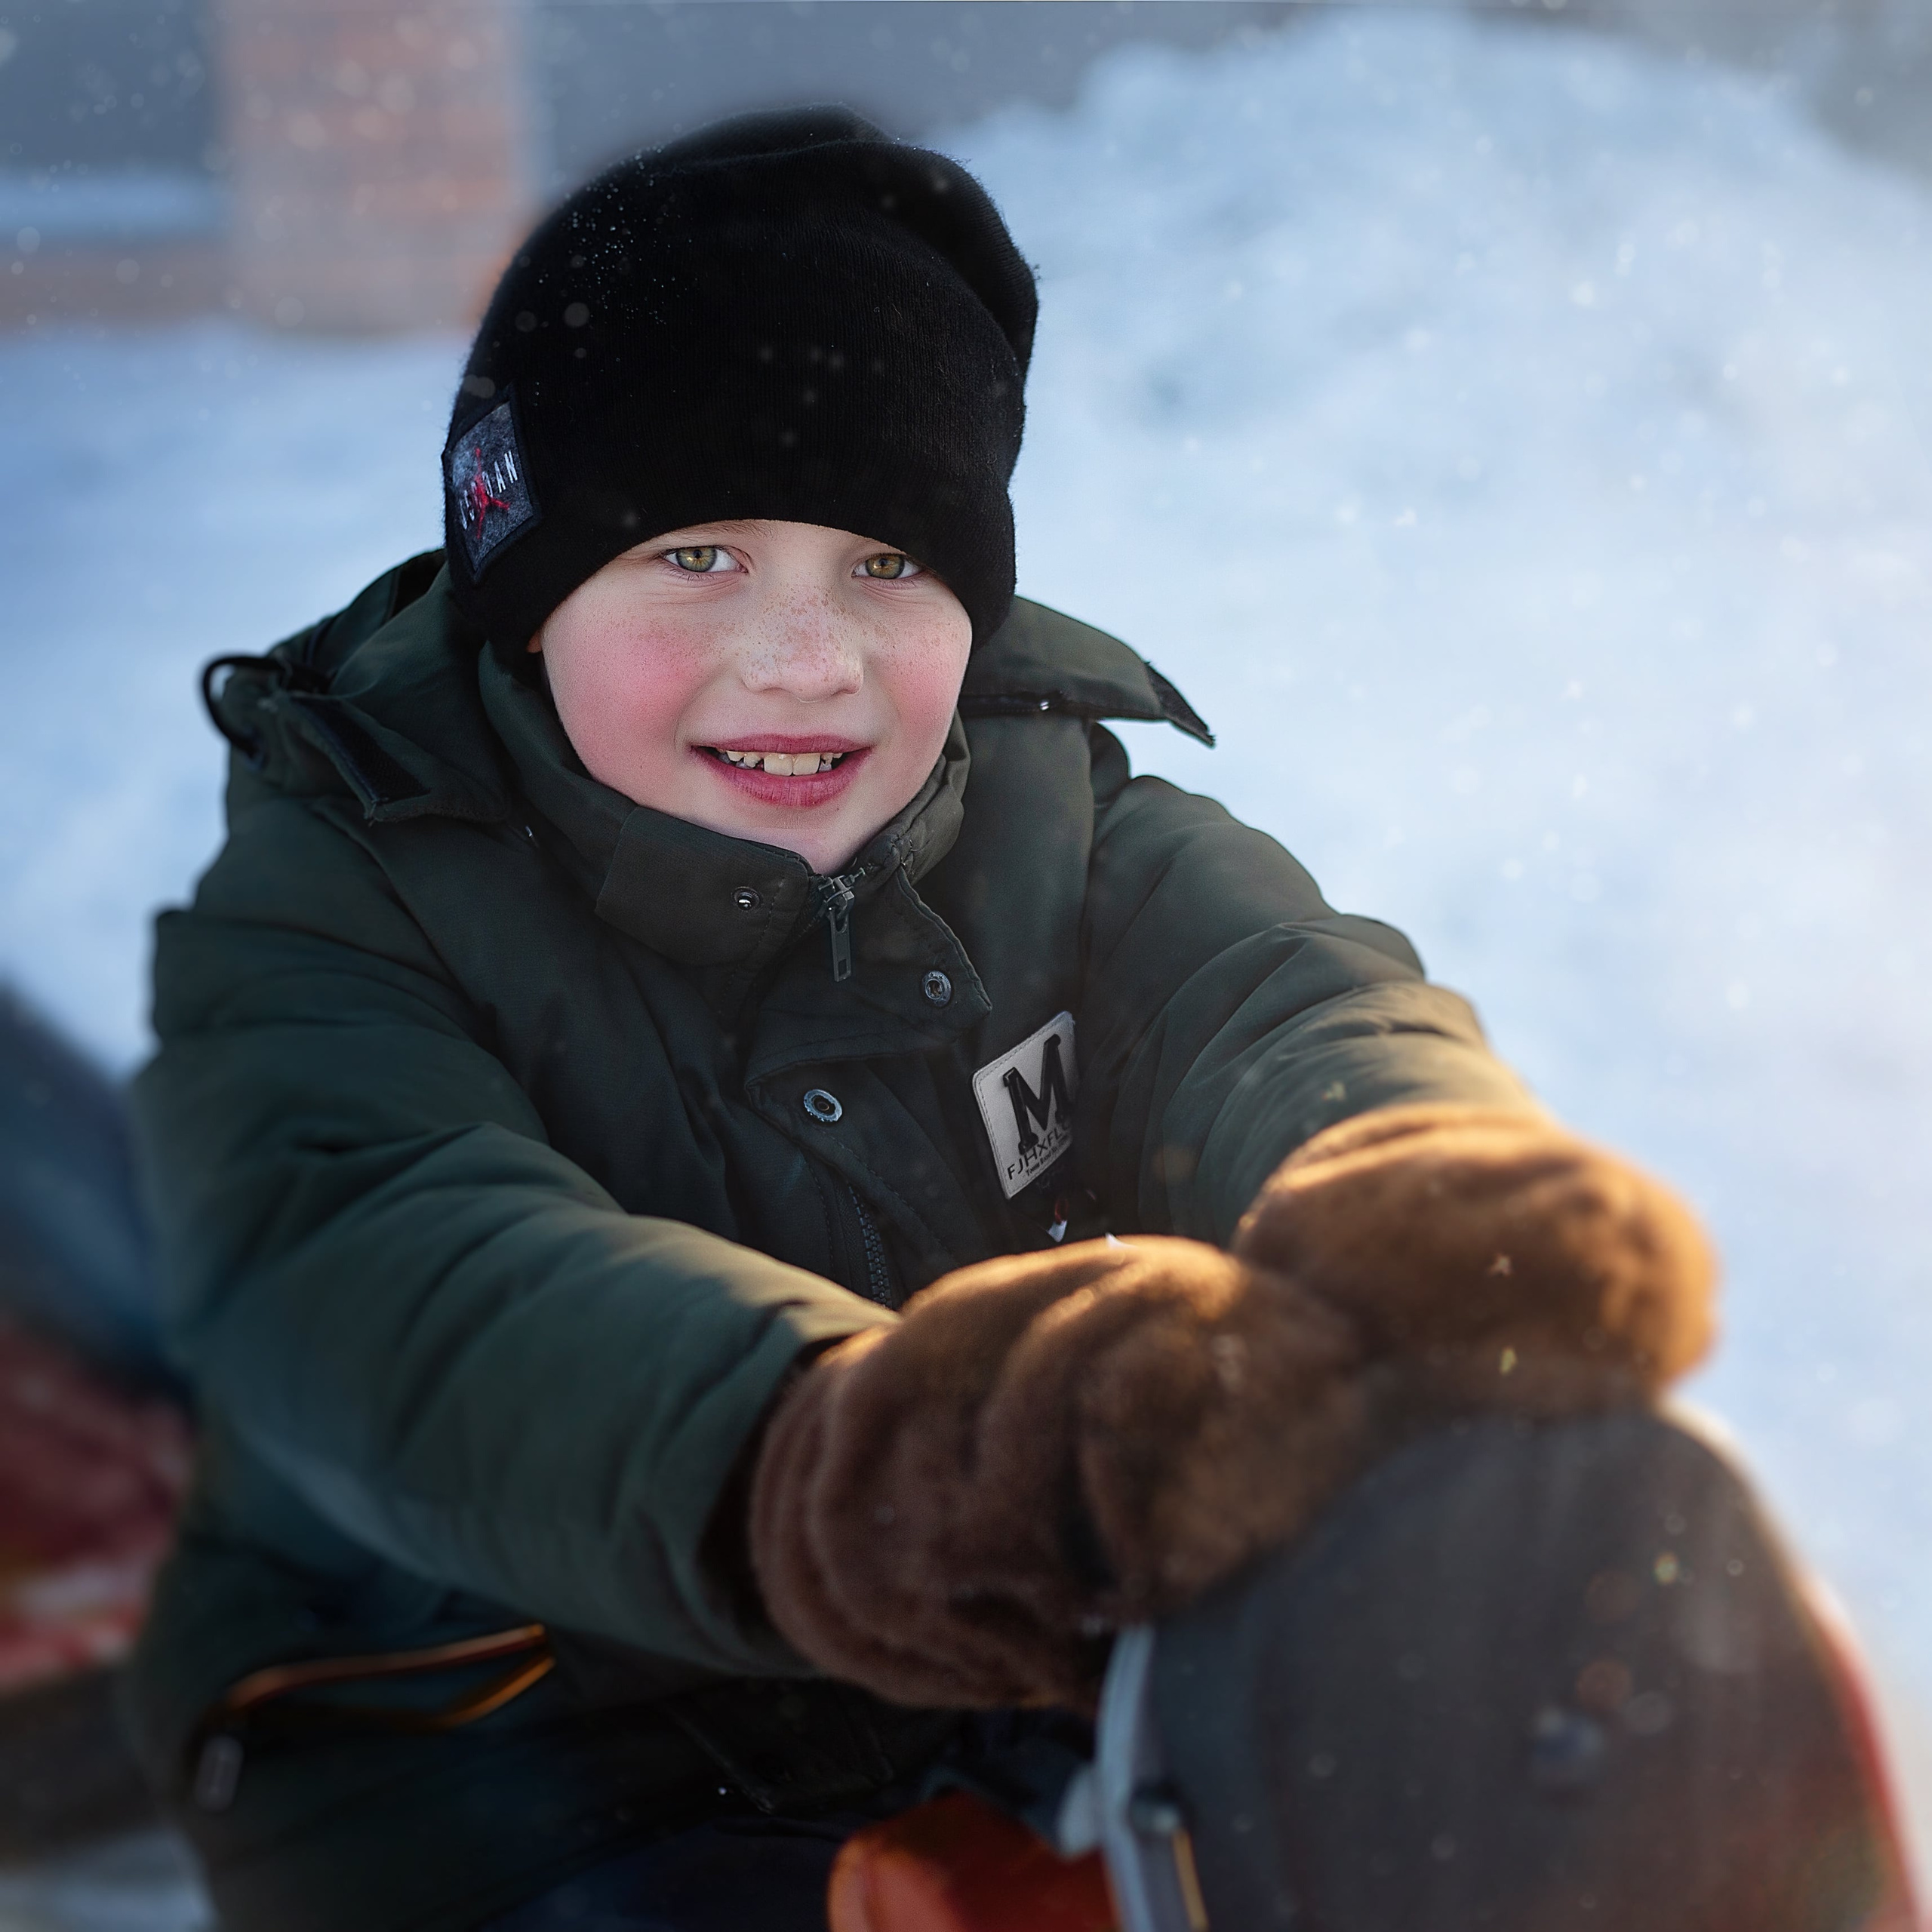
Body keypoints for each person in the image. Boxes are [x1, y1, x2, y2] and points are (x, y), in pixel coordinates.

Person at [126, 109, 1724, 1931]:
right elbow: (405, 1271)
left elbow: (1285, 991)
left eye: (887, 565)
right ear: (522, 576)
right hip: (508, 1745)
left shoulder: (1050, 822)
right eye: (698, 556)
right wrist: (848, 1455)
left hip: (1000, 1673)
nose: (804, 659)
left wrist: (1411, 1186)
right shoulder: (337, 894)